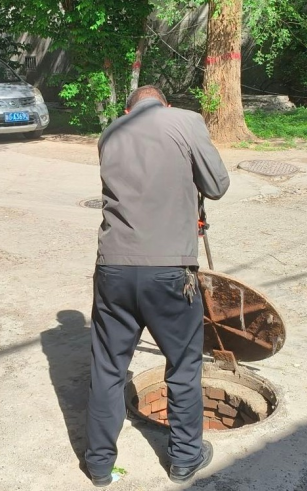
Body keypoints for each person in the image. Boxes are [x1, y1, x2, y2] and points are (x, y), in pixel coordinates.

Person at [84, 86, 230, 486]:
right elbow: (217, 186)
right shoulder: (185, 121)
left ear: (128, 109)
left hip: (113, 268)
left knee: (107, 368)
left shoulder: (110, 133)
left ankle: (99, 466)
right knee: (183, 366)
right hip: (169, 272)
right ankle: (184, 459)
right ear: (165, 104)